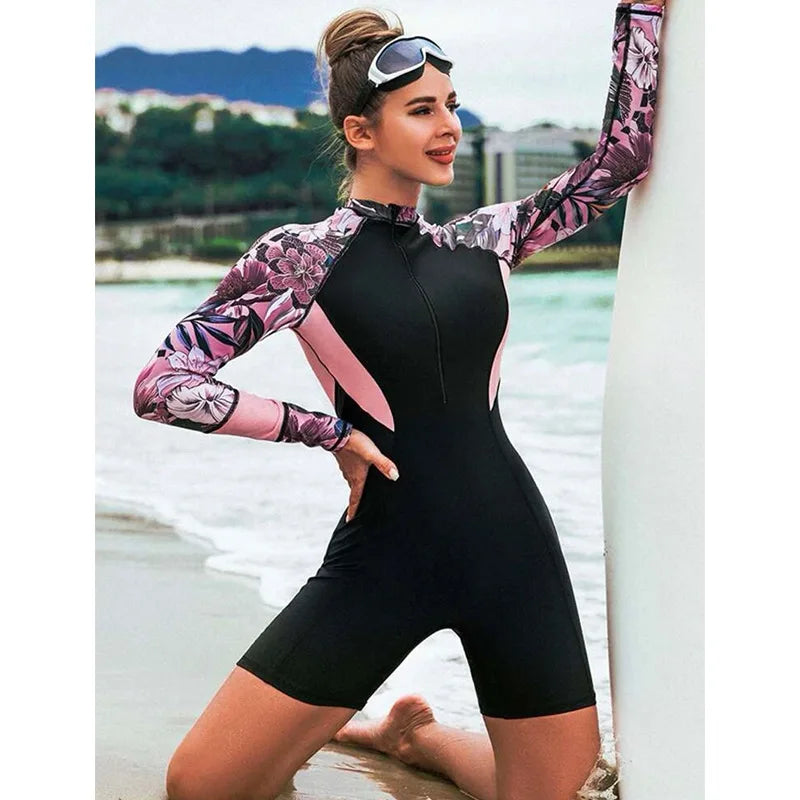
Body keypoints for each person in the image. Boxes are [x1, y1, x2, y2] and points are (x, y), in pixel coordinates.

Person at [132, 1, 666, 797]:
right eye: (421, 110)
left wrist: (642, 11)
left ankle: (415, 737)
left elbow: (623, 158)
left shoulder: (488, 238)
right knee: (202, 787)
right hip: (386, 555)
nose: (449, 126)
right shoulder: (297, 260)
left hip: (508, 545)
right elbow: (163, 385)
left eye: (451, 105)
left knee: (555, 791)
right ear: (360, 131)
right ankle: (377, 727)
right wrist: (326, 432)